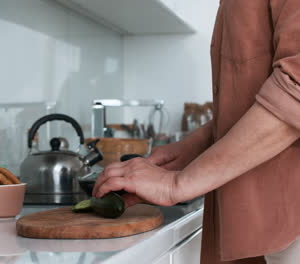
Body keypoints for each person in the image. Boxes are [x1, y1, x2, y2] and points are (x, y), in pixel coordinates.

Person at [92, 1, 300, 263]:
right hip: (274, 222)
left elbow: (295, 90)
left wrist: (177, 184)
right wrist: (196, 146)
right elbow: (259, 94)